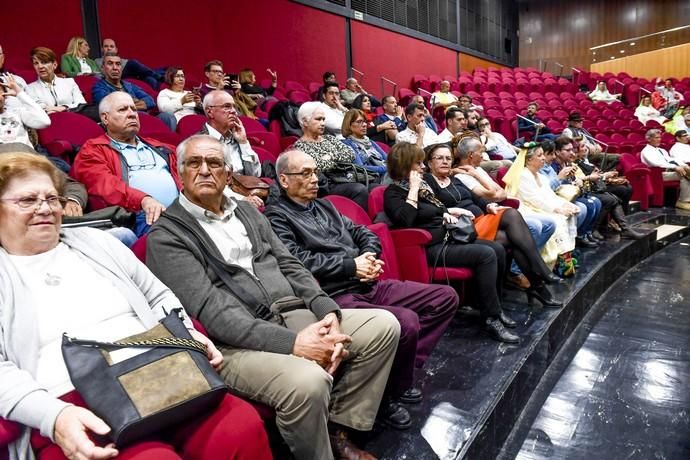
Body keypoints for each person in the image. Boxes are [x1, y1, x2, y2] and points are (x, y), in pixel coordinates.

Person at [0, 151, 272, 460]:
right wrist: (55, 416)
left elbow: (158, 296)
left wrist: (184, 332)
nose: (45, 209)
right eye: (27, 201)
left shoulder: (97, 242)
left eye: (52, 198)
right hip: (74, 402)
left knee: (240, 426)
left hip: (161, 372)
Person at [146, 134, 399, 460]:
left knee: (384, 326)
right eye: (195, 163)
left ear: (227, 172)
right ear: (179, 172)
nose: (205, 171)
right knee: (308, 381)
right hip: (236, 342)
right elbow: (211, 311)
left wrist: (328, 312)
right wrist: (295, 345)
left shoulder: (247, 212)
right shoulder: (168, 235)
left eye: (215, 163)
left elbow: (291, 265)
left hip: (293, 313)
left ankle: (338, 430)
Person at [266, 148, 459, 427]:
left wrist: (368, 257)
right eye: (305, 173)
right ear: (284, 180)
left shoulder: (325, 205)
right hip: (331, 294)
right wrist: (350, 265)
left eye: (315, 172)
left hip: (366, 281)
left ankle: (397, 374)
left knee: (444, 297)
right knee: (405, 322)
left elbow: (364, 231)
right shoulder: (277, 216)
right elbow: (296, 260)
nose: (315, 178)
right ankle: (387, 395)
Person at [383, 142, 519, 343]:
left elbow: (437, 209)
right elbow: (406, 219)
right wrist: (412, 189)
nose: (422, 168)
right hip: (428, 248)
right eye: (418, 164)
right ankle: (491, 319)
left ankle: (494, 308)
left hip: (447, 238)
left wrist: (449, 212)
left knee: (497, 249)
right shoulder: (393, 192)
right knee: (486, 255)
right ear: (405, 166)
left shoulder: (424, 187)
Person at [424, 142, 561, 301]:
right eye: (439, 158)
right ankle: (540, 273)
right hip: (467, 227)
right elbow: (434, 208)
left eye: (448, 158)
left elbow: (476, 198)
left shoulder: (454, 180)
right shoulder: (428, 182)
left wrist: (487, 205)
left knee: (514, 235)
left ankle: (537, 286)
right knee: (511, 214)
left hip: (482, 218)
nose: (445, 161)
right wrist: (475, 176)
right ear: (429, 163)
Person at [72, 92, 181, 236]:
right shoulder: (93, 150)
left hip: (182, 214)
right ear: (105, 118)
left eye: (134, 109)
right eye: (123, 110)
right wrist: (143, 200)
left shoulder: (161, 147)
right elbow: (106, 186)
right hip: (138, 217)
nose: (132, 114)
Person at [502, 142, 579, 268]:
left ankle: (564, 259)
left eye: (543, 154)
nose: (544, 158)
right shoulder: (523, 175)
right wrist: (557, 210)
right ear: (529, 160)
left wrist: (566, 204)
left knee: (571, 213)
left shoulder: (540, 176)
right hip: (526, 208)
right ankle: (548, 263)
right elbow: (534, 200)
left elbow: (550, 196)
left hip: (539, 207)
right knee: (557, 219)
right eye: (540, 155)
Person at [293, 101, 369, 210]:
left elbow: (350, 154)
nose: (323, 123)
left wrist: (329, 156)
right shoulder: (300, 146)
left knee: (376, 187)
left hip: (346, 178)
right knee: (359, 189)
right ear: (305, 122)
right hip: (327, 185)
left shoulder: (329, 138)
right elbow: (320, 166)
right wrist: (335, 157)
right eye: (318, 119)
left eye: (323, 119)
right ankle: (357, 224)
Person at [572, 137, 643, 239]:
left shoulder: (584, 160)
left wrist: (604, 175)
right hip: (589, 188)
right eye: (583, 146)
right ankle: (595, 228)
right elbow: (587, 178)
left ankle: (624, 228)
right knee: (612, 197)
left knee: (625, 189)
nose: (586, 148)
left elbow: (593, 175)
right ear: (576, 151)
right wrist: (605, 176)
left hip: (597, 185)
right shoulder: (577, 163)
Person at [92, 52, 176, 131]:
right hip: (125, 123)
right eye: (110, 64)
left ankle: (168, 142)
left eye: (118, 64)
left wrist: (128, 105)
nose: (115, 68)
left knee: (167, 117)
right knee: (140, 115)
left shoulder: (129, 85)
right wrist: (135, 103)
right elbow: (110, 107)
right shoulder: (99, 87)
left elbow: (150, 100)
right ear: (103, 68)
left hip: (145, 118)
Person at [548, 137, 602, 247]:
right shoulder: (553, 166)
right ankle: (579, 236)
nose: (571, 153)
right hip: (560, 197)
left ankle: (587, 232)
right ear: (557, 152)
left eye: (572, 150)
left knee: (596, 201)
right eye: (567, 150)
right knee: (588, 205)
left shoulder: (567, 163)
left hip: (572, 194)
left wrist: (577, 182)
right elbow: (553, 187)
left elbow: (573, 180)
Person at [197, 90, 261, 180]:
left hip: (246, 188)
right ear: (210, 112)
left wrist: (243, 142)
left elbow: (255, 175)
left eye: (234, 107)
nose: (234, 111)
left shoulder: (238, 138)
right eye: (227, 107)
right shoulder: (198, 143)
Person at [25, 47, 98, 121]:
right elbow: (40, 109)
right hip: (49, 125)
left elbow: (81, 104)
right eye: (36, 63)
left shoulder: (69, 82)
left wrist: (64, 107)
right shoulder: (30, 88)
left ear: (55, 65)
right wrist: (67, 108)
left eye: (44, 62)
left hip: (74, 120)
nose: (40, 66)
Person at [641, 128, 690, 210]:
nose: (659, 140)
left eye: (659, 137)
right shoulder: (646, 151)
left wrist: (684, 165)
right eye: (656, 138)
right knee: (683, 175)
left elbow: (671, 160)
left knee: (685, 171)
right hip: (658, 175)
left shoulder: (661, 150)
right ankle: (683, 201)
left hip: (668, 171)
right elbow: (657, 164)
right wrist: (675, 167)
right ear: (649, 139)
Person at [453, 136, 510, 202]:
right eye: (480, 152)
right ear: (471, 154)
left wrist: (497, 196)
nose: (482, 156)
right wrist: (498, 196)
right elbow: (489, 197)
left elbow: (502, 191)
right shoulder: (461, 176)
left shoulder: (478, 169)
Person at [0, 73, 51, 147]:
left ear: (6, 95)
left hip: (26, 155)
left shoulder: (18, 112)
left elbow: (45, 122)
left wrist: (20, 93)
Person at [96, 38, 162, 90]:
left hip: (132, 75)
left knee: (149, 78)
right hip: (117, 75)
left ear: (116, 50)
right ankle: (160, 76)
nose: (109, 48)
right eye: (106, 46)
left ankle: (158, 89)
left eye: (111, 46)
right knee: (132, 63)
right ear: (102, 49)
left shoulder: (121, 60)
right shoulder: (97, 61)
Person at [341, 109, 388, 179]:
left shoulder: (371, 142)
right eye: (359, 122)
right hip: (373, 178)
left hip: (387, 173)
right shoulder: (347, 144)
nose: (364, 125)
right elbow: (361, 167)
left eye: (365, 122)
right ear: (349, 125)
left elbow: (388, 159)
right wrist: (386, 169)